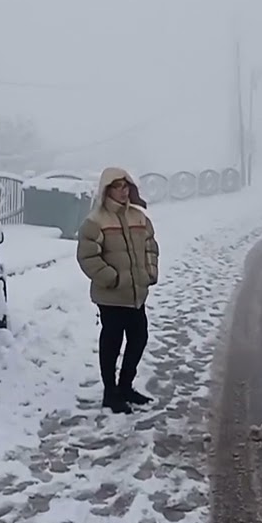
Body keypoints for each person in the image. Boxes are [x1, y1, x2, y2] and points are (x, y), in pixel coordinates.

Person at [76, 167, 160, 414]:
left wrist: (150, 273)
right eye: (117, 187)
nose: (123, 192)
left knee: (139, 339)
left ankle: (125, 387)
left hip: (136, 295)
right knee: (112, 343)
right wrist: (112, 279)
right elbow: (87, 257)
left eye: (126, 186)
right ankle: (110, 393)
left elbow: (150, 247)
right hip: (111, 296)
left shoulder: (139, 217)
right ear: (106, 190)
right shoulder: (96, 221)